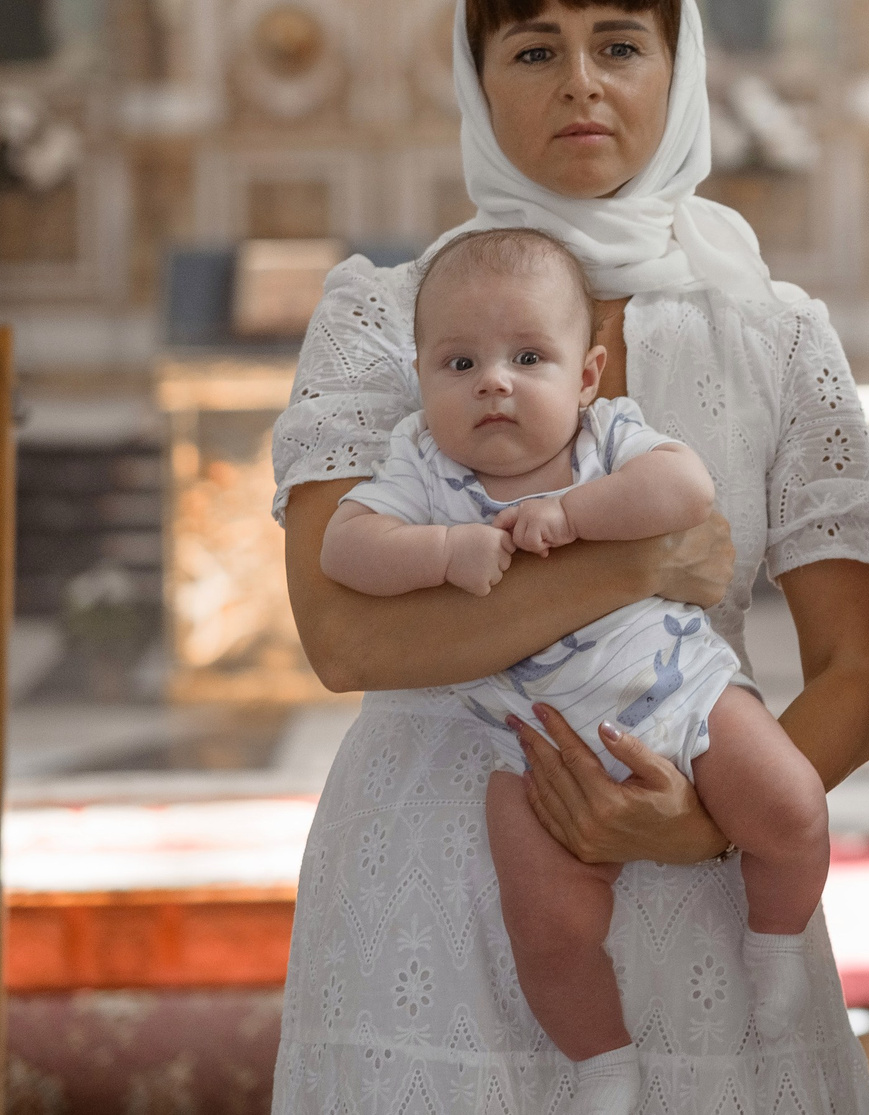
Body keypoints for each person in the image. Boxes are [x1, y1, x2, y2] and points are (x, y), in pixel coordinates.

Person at [270, 0, 869, 1115]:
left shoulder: (772, 335)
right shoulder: (383, 316)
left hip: (703, 882)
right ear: (476, 77)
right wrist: (634, 568)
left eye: (619, 43)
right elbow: (344, 637)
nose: (581, 84)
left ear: (679, 67)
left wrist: (705, 825)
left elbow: (862, 677)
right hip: (432, 878)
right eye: (532, 50)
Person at [318, 226, 836, 1113]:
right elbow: (343, 546)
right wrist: (441, 550)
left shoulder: (609, 436)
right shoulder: (424, 466)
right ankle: (602, 1059)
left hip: (683, 691)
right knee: (548, 926)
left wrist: (572, 513)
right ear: (419, 375)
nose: (494, 381)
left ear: (588, 375)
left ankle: (777, 938)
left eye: (528, 356)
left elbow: (686, 492)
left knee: (791, 803)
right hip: (533, 745)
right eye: (458, 363)